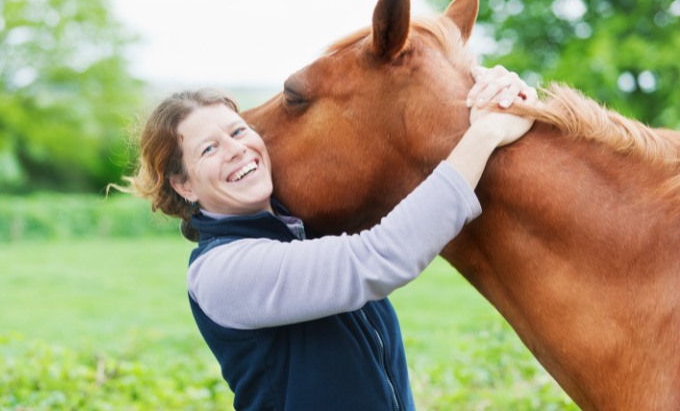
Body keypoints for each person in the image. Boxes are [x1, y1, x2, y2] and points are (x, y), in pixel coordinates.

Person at [126, 65, 538, 410]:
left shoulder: (302, 231)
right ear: (184, 186)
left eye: (237, 132)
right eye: (208, 150)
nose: (235, 150)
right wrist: (484, 134)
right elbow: (377, 259)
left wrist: (486, 93)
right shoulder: (221, 272)